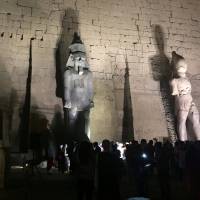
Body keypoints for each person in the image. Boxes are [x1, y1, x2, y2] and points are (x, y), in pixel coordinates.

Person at [170, 51, 200, 141]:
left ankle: (198, 140)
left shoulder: (186, 78)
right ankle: (183, 142)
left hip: (190, 99)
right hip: (182, 100)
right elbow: (174, 93)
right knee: (182, 121)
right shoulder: (174, 80)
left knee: (195, 118)